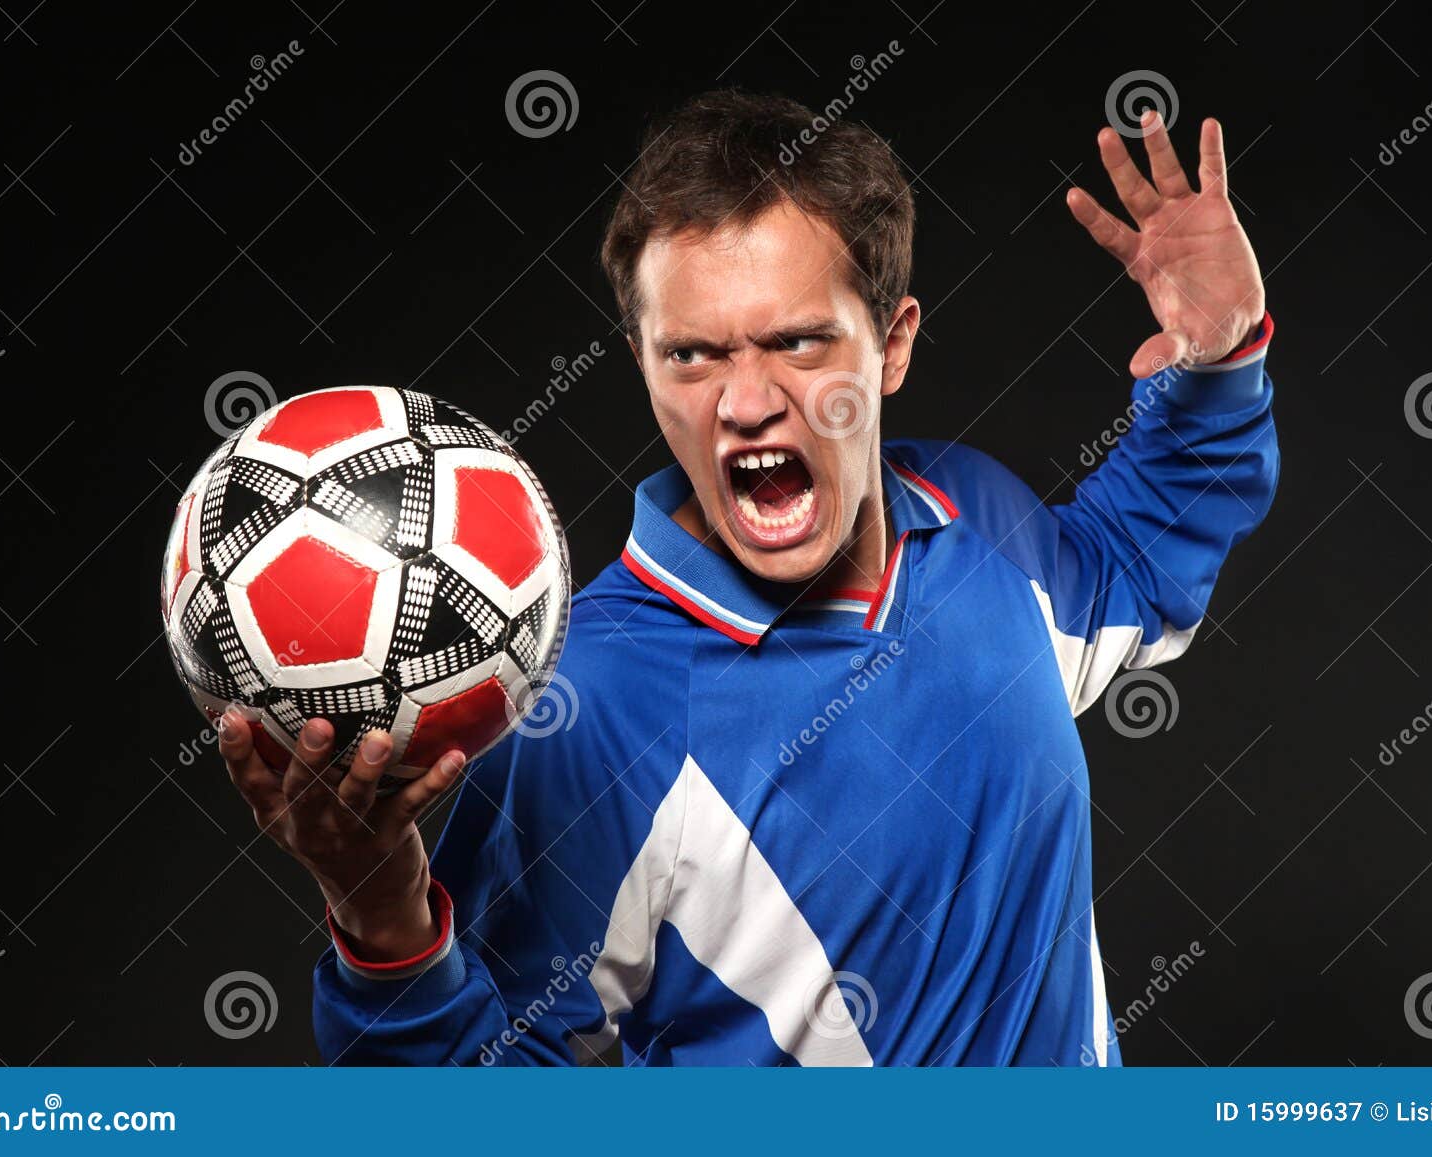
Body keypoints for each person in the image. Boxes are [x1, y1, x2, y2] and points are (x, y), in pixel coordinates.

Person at [218, 89, 1276, 1066]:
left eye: (798, 341)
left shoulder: (981, 526)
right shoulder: (585, 710)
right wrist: (384, 922)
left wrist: (1221, 355)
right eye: (693, 355)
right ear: (640, 362)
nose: (746, 400)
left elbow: (1137, 560)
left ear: (891, 345)